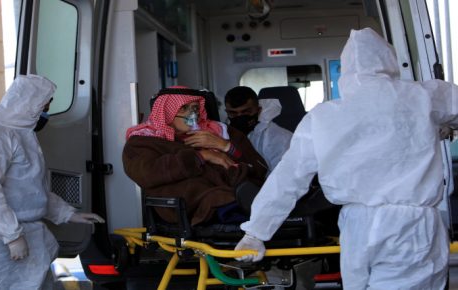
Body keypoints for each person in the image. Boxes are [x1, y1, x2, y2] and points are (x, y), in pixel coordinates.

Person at [235, 27, 458, 289]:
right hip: (410, 227)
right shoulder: (424, 96)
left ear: (346, 70)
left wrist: (256, 232)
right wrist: (442, 125)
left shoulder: (322, 116)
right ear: (389, 62)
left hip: (356, 227)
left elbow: (288, 178)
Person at [0, 74, 105, 290]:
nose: (46, 112)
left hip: (22, 230)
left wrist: (67, 214)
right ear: (28, 103)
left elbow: (29, 190)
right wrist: (10, 236)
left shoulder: (21, 134)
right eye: (44, 106)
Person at [123, 87, 267, 225]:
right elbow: (148, 173)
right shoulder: (143, 140)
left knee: (249, 185)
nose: (193, 114)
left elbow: (260, 168)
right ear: (167, 111)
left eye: (195, 108)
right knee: (200, 189)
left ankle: (249, 203)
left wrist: (226, 146)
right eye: (184, 108)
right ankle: (233, 208)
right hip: (191, 200)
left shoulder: (221, 131)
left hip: (238, 185)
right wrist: (202, 156)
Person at [225, 86, 293, 171]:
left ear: (259, 110)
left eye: (246, 112)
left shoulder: (279, 138)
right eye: (233, 113)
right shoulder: (223, 134)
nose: (240, 117)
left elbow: (281, 176)